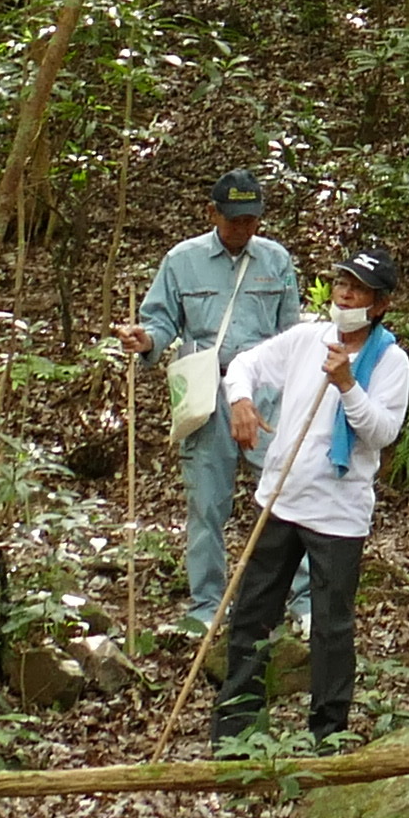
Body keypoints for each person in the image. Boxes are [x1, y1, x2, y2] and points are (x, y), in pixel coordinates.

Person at [215, 253, 409, 742]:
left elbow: (382, 433)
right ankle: (236, 731)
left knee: (331, 629)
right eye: (342, 284)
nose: (345, 295)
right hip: (280, 500)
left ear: (380, 304)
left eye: (359, 290)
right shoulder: (307, 338)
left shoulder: (390, 360)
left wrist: (347, 385)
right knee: (253, 615)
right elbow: (246, 364)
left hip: (338, 515)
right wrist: (240, 399)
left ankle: (327, 737)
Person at [122, 175, 308, 630]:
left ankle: (302, 601)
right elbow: (161, 321)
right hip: (208, 392)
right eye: (235, 219)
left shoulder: (276, 259)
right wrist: (144, 339)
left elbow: (292, 334)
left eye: (252, 219)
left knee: (288, 496)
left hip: (266, 396)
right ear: (212, 214)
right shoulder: (182, 261)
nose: (245, 228)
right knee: (206, 505)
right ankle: (206, 607)